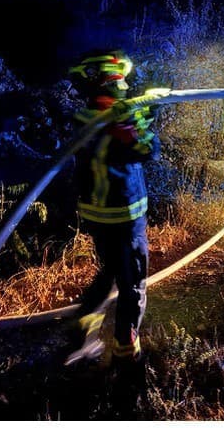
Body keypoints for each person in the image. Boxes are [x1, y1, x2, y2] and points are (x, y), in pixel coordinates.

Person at [64, 49, 159, 365]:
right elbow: (145, 149)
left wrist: (141, 114)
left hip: (95, 214)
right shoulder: (118, 119)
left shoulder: (85, 116)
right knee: (132, 283)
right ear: (114, 82)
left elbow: (118, 138)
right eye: (122, 81)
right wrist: (146, 114)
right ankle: (126, 354)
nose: (126, 87)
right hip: (123, 215)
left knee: (109, 271)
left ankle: (83, 325)